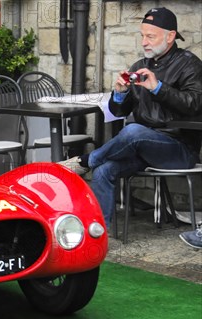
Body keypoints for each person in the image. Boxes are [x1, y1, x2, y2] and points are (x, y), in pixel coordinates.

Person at [59, 7, 202, 228]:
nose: (144, 42)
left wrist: (158, 88)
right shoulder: (139, 67)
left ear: (171, 36)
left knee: (133, 131)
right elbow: (118, 113)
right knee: (103, 171)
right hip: (142, 148)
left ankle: (85, 161)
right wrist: (119, 93)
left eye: (150, 36)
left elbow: (194, 104)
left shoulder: (189, 64)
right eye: (142, 35)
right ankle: (98, 232)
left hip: (179, 148)